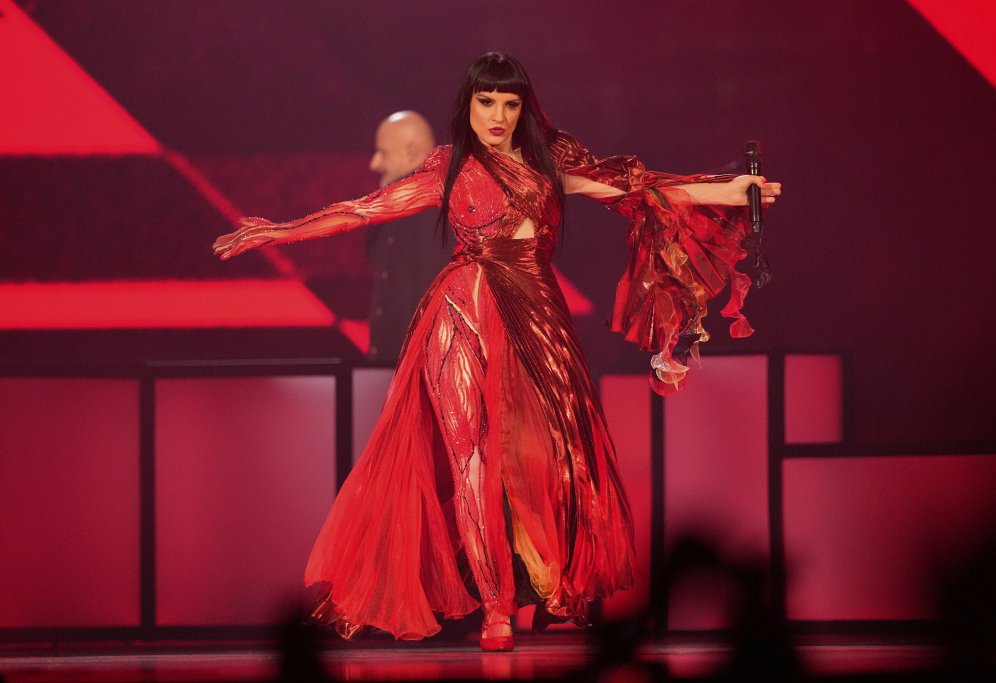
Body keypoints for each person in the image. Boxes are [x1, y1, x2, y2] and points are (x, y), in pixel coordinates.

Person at [214, 52, 780, 652]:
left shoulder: (548, 158)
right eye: (487, 102)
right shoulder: (449, 167)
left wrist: (728, 189)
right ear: (469, 104)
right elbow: (364, 209)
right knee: (470, 461)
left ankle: (540, 581)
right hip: (460, 307)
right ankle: (495, 609)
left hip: (536, 315)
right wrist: (281, 230)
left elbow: (637, 188)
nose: (498, 115)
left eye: (510, 104)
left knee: (555, 454)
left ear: (522, 108)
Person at [365, 111, 451, 364]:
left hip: (419, 371)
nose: (374, 163)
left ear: (412, 152)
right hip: (395, 370)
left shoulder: (435, 208)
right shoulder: (401, 204)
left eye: (383, 153)